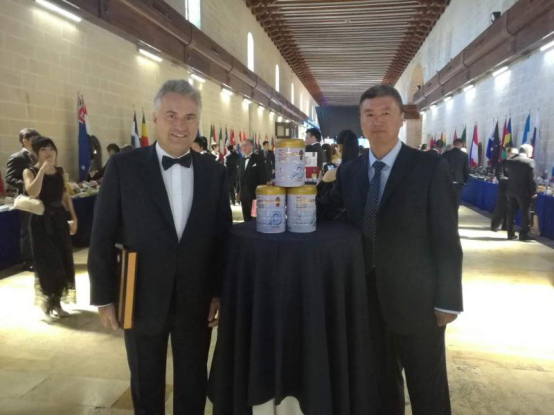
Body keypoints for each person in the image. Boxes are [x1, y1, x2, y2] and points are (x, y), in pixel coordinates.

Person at [88, 80, 233, 415]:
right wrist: (104, 297)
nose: (180, 125)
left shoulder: (214, 173)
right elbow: (102, 234)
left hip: (196, 299)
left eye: (189, 117)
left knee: (193, 383)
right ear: (154, 118)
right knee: (145, 383)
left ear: (198, 122)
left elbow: (222, 238)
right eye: (171, 115)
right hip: (139, 295)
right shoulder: (124, 167)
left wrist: (218, 292)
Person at [328, 85, 463, 415]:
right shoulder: (350, 172)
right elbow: (329, 212)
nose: (378, 121)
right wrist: (292, 197)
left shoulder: (428, 167)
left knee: (428, 388)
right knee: (380, 387)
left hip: (418, 301)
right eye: (369, 114)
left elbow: (446, 236)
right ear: (361, 121)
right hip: (367, 298)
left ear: (401, 118)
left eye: (386, 113)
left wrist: (448, 300)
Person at [23, 137, 78, 318]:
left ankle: (57, 303)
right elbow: (33, 192)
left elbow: (65, 196)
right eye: (44, 149)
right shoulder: (29, 171)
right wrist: (42, 171)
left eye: (51, 149)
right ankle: (49, 302)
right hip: (40, 222)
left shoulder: (59, 171)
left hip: (59, 220)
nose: (49, 152)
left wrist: (73, 217)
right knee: (48, 263)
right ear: (36, 153)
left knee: (63, 259)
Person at [6, 128, 41, 271]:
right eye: (34, 139)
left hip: (42, 196)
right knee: (27, 230)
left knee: (40, 228)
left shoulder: (39, 155)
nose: (37, 142)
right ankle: (28, 261)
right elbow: (9, 178)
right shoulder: (17, 157)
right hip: (27, 198)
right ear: (25, 141)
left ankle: (41, 257)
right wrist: (27, 185)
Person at [317, 130, 359, 221]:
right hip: (357, 223)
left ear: (339, 148)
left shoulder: (333, 174)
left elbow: (319, 201)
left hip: (331, 223)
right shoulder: (364, 171)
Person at [506, 144, 537, 241]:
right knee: (525, 214)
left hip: (511, 191)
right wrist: (534, 192)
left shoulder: (510, 161)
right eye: (531, 152)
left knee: (511, 214)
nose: (531, 154)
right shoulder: (530, 162)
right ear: (528, 152)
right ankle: (523, 235)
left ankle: (510, 234)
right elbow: (532, 179)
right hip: (524, 192)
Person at [238, 139, 267, 222]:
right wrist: (237, 191)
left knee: (255, 217)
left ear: (251, 147)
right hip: (243, 195)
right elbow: (238, 177)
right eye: (242, 146)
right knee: (246, 216)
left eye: (245, 146)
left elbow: (263, 177)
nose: (243, 148)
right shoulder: (241, 160)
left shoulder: (258, 159)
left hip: (254, 195)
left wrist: (261, 193)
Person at [491, 147, 518, 232]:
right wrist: (512, 180)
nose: (514, 156)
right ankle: (495, 225)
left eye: (516, 154)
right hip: (504, 189)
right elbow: (500, 176)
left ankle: (506, 226)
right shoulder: (502, 163)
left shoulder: (518, 164)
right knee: (501, 208)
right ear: (507, 153)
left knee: (511, 209)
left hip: (514, 190)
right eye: (513, 154)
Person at [442, 138, 470, 207]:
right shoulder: (464, 155)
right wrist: (466, 181)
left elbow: (442, 167)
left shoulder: (446, 154)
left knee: (446, 198)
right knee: (456, 199)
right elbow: (466, 169)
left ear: (453, 144)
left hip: (447, 179)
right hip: (459, 180)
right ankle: (455, 211)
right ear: (462, 144)